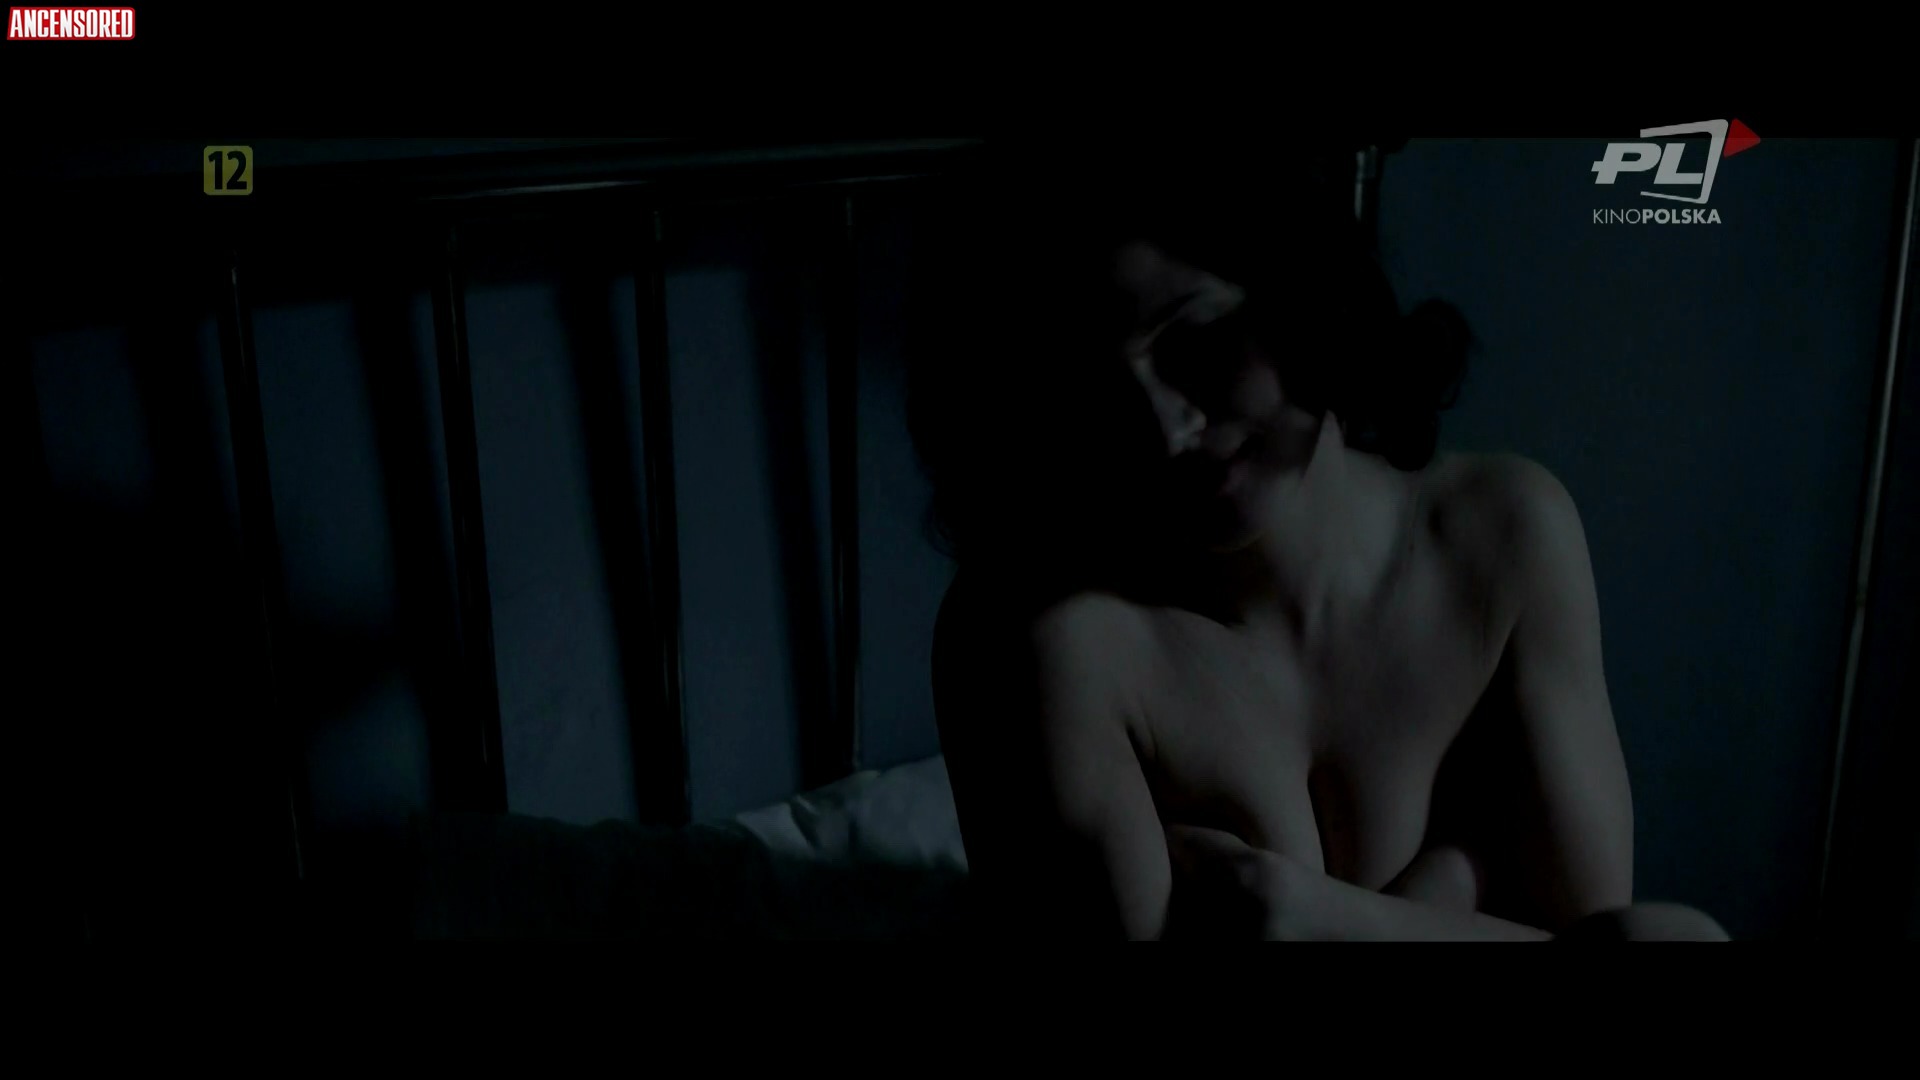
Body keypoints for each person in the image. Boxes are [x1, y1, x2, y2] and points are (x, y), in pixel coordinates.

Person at [908, 140, 1729, 941]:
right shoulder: (1043, 636)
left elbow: (1603, 927)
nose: (1165, 431)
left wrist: (1313, 914)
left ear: (1299, 289)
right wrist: (1448, 886)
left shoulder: (1503, 536)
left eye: (1192, 341)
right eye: (1095, 384)